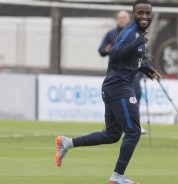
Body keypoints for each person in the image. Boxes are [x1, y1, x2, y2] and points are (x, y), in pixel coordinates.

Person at [55, 1, 162, 184]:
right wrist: (138, 41)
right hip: (119, 87)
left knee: (112, 134)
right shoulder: (132, 33)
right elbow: (114, 54)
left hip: (115, 86)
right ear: (133, 14)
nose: (144, 16)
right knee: (133, 132)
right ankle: (117, 177)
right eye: (140, 13)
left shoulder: (138, 34)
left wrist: (145, 68)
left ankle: (67, 143)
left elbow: (128, 60)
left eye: (147, 13)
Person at [98, 10, 147, 134]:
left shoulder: (134, 33)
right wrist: (106, 50)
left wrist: (145, 67)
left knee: (137, 93)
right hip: (117, 73)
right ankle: (128, 125)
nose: (122, 20)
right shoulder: (112, 34)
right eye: (120, 18)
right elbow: (102, 50)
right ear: (117, 19)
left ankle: (133, 122)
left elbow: (139, 53)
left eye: (124, 18)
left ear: (129, 18)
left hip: (132, 71)